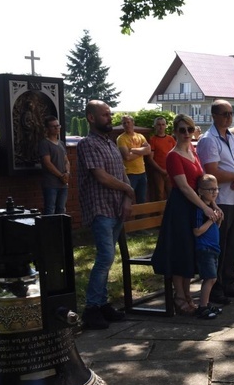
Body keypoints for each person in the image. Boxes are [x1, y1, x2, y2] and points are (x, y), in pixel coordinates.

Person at [151, 114, 222, 314]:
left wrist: (214, 204)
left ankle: (189, 297)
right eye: (181, 130)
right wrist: (206, 208)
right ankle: (180, 297)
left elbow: (203, 183)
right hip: (181, 208)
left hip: (196, 206)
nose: (186, 134)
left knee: (190, 252)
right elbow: (184, 187)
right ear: (174, 132)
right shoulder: (173, 156)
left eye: (189, 130)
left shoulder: (193, 150)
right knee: (180, 253)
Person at [77, 100, 135, 329]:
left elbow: (122, 174)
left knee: (108, 259)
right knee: (105, 258)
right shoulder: (87, 144)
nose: (109, 118)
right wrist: (127, 189)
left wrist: (128, 198)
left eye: (109, 114)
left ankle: (102, 304)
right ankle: (91, 308)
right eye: (104, 115)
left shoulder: (111, 144)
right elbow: (101, 176)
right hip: (100, 208)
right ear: (91, 118)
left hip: (116, 207)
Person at [197, 100, 234, 303]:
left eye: (231, 113)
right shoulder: (208, 140)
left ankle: (229, 283)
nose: (229, 117)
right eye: (225, 113)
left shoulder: (233, 138)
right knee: (219, 246)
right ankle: (216, 289)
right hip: (221, 200)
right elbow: (212, 171)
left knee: (233, 246)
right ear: (214, 115)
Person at [193, 174, 223, 319]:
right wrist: (212, 220)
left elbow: (216, 226)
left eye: (216, 189)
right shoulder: (200, 209)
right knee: (209, 278)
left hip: (214, 247)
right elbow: (197, 231)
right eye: (210, 190)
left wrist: (218, 220)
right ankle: (202, 307)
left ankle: (206, 302)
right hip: (204, 248)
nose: (214, 192)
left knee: (213, 278)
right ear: (200, 191)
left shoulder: (212, 207)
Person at [38, 115, 69, 214]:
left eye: (58, 126)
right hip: (51, 183)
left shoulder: (61, 143)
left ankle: (61, 229)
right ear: (47, 129)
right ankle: (49, 229)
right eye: (53, 126)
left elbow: (66, 161)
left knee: (61, 209)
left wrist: (67, 173)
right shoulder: (44, 143)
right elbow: (47, 163)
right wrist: (60, 176)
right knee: (50, 209)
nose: (57, 128)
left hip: (63, 183)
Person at [117, 115, 151, 204]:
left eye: (128, 122)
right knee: (128, 200)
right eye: (124, 123)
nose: (126, 124)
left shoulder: (140, 136)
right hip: (130, 174)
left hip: (142, 172)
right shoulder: (121, 138)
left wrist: (131, 149)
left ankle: (141, 218)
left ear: (133, 123)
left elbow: (148, 151)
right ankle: (130, 218)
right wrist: (141, 151)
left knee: (142, 199)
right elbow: (127, 157)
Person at [147, 117, 175, 201]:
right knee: (160, 194)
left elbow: (176, 154)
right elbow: (150, 159)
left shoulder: (170, 139)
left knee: (172, 193)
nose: (161, 127)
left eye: (163, 124)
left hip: (170, 171)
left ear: (166, 126)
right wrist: (161, 170)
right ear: (155, 126)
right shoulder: (152, 140)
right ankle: (160, 213)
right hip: (158, 171)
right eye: (158, 125)